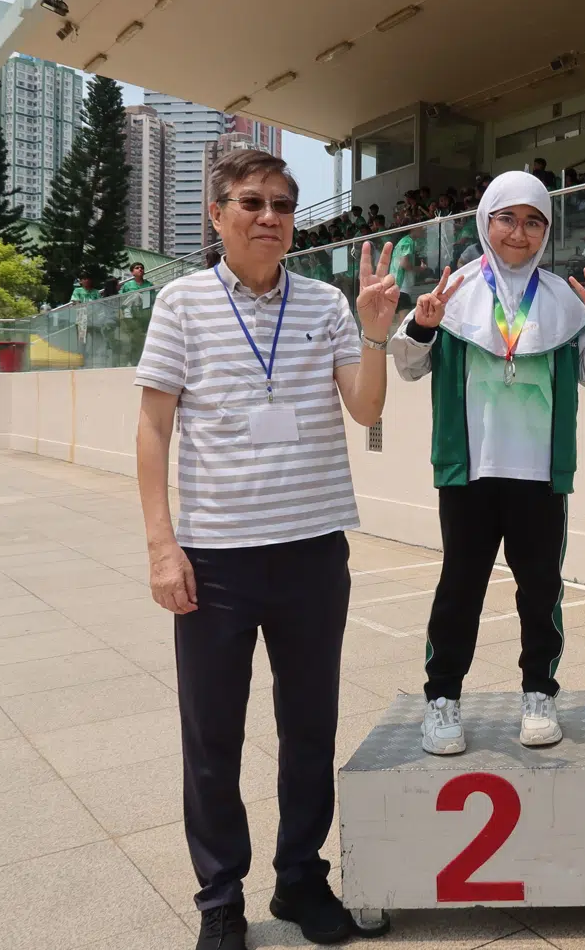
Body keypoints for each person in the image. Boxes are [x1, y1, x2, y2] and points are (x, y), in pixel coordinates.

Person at [133, 149, 398, 949]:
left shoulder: (324, 303)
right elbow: (153, 428)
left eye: (283, 204)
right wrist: (162, 547)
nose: (270, 217)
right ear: (216, 215)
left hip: (313, 550)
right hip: (216, 558)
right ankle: (220, 898)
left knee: (309, 728)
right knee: (212, 736)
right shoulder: (180, 304)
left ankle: (300, 880)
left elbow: (366, 411)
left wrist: (376, 334)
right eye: (251, 202)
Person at [391, 172, 585, 755]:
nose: (519, 233)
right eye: (507, 219)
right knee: (459, 588)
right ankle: (442, 698)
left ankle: (539, 692)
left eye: (533, 222)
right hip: (469, 472)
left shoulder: (564, 298)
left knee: (540, 590)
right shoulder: (453, 292)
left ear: (546, 230)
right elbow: (409, 367)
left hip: (541, 475)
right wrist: (421, 323)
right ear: (485, 222)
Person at [120, 262, 157, 363]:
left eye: (141, 268)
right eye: (137, 268)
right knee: (133, 338)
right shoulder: (127, 285)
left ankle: (139, 360)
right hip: (130, 316)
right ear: (132, 272)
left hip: (144, 314)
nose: (140, 269)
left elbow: (152, 300)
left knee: (141, 338)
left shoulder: (149, 285)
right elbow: (121, 299)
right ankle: (133, 360)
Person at [390, 220, 431, 309]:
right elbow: (404, 264)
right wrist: (419, 269)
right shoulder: (407, 242)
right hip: (401, 285)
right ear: (413, 228)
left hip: (397, 285)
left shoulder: (406, 241)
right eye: (420, 226)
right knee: (404, 314)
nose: (423, 229)